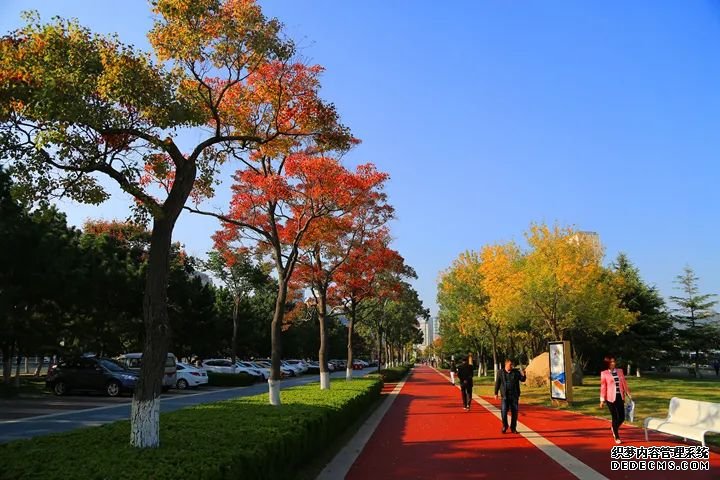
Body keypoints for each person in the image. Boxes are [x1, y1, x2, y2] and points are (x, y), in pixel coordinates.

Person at [600, 355, 631, 444]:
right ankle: (616, 436)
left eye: (614, 361)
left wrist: (628, 393)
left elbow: (624, 383)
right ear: (608, 364)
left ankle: (614, 427)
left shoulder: (620, 371)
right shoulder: (604, 373)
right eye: (611, 362)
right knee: (615, 417)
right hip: (610, 398)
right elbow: (603, 387)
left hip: (620, 396)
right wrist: (602, 400)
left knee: (622, 417)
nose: (614, 363)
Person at [494, 359, 526, 433]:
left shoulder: (516, 372)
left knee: (514, 412)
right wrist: (496, 393)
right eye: (510, 365)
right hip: (505, 396)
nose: (511, 366)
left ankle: (513, 428)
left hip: (514, 396)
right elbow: (497, 383)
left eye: (512, 365)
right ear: (506, 364)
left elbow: (522, 380)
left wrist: (524, 374)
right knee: (504, 412)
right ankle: (505, 425)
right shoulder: (500, 372)